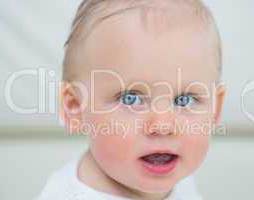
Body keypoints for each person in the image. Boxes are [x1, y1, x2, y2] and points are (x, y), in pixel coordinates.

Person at [38, 0, 226, 199]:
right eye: (131, 99)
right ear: (75, 108)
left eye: (184, 100)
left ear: (215, 109)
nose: (163, 126)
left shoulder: (178, 177)